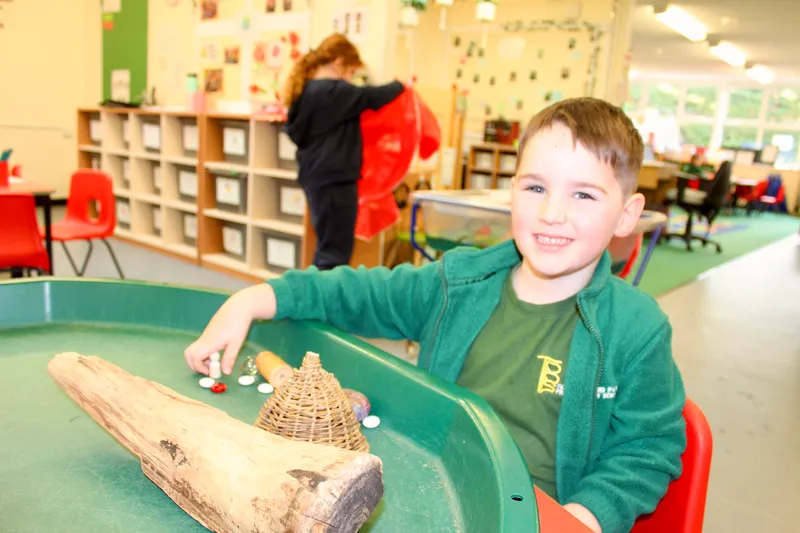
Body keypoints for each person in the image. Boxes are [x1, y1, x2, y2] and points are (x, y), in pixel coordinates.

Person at [185, 97, 687, 533]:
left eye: (583, 194)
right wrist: (249, 300)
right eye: (535, 188)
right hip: (432, 491)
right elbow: (358, 294)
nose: (553, 213)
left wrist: (582, 517)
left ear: (626, 213)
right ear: (510, 190)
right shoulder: (457, 283)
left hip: (538, 517)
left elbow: (647, 450)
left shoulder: (636, 328)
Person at [280, 33, 405, 270]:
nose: (351, 80)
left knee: (328, 246)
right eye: (350, 73)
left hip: (319, 178)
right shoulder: (331, 92)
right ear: (338, 63)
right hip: (334, 179)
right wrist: (401, 84)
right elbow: (372, 97)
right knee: (335, 252)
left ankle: (320, 301)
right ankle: (323, 304)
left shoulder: (309, 91)